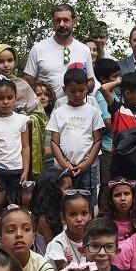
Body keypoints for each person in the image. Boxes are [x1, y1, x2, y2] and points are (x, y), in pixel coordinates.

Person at [49, 68, 106, 202]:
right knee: (63, 200)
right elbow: (54, 142)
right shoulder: (59, 112)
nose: (77, 94)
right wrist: (65, 164)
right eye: (72, 91)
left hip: (89, 167)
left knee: (87, 200)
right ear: (64, 89)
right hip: (62, 168)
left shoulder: (93, 112)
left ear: (87, 89)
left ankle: (89, 223)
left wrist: (87, 163)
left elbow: (98, 140)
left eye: (81, 90)